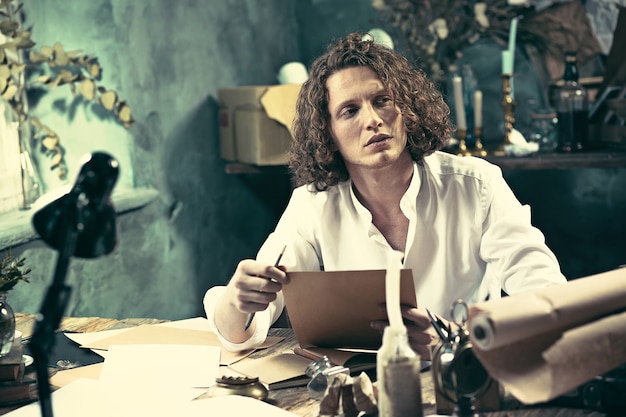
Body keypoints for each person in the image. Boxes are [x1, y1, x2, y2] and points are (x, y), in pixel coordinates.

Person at [204, 32, 566, 359]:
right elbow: (242, 332)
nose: (372, 120)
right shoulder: (313, 204)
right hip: (363, 385)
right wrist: (239, 302)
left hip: (463, 377)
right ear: (327, 132)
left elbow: (548, 297)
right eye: (350, 111)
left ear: (407, 109)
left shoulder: (477, 185)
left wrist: (456, 336)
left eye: (383, 100)